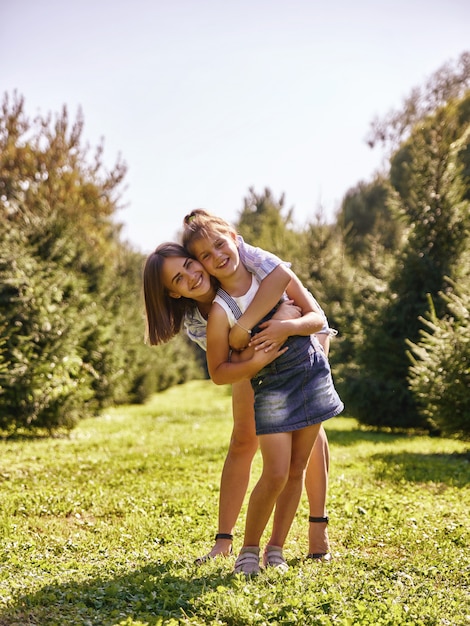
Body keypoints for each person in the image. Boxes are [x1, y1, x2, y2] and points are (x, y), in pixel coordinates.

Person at [143, 239, 334, 567]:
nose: (190, 276)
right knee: (243, 439)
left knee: (307, 435)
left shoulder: (235, 267)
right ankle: (224, 541)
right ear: (172, 293)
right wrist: (247, 340)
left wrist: (283, 318)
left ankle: (318, 529)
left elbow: (293, 294)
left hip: (305, 339)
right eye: (177, 279)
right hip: (255, 362)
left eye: (189, 265)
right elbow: (232, 360)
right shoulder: (197, 319)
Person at [181, 209, 344, 575]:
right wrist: (247, 344)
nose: (215, 257)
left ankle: (296, 540)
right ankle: (243, 547)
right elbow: (223, 366)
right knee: (271, 465)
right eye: (204, 256)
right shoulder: (210, 311)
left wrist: (284, 326)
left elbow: (310, 310)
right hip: (267, 379)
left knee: (303, 455)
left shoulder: (259, 262)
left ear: (235, 238)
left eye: (220, 245)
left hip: (308, 354)